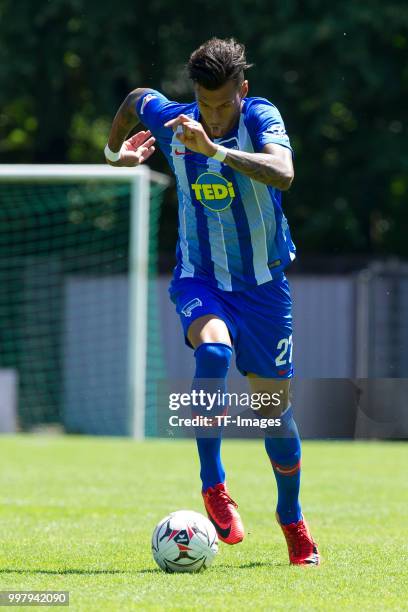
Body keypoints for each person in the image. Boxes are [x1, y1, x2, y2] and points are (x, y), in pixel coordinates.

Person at [105, 37, 320, 565]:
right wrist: (115, 155)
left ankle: (290, 516)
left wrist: (216, 150)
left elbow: (285, 173)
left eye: (225, 104)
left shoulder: (262, 116)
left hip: (265, 288)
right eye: (206, 105)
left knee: (275, 416)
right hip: (200, 279)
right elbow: (137, 98)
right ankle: (213, 485)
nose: (215, 115)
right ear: (195, 96)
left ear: (242, 90)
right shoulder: (176, 120)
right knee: (215, 354)